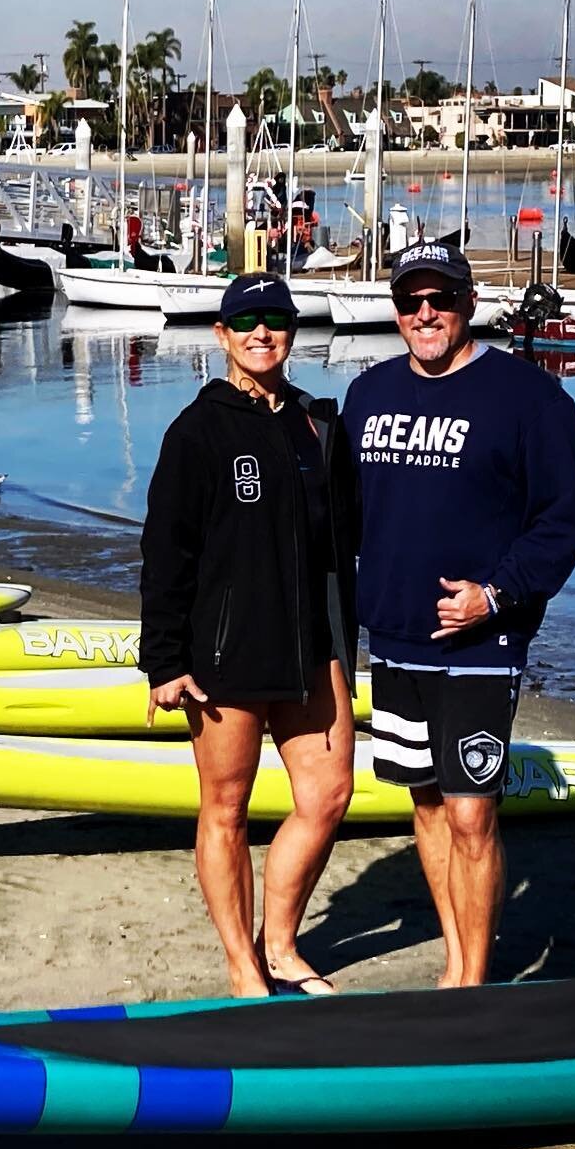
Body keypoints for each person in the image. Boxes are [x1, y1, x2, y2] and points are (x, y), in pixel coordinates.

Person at [341, 242, 575, 987]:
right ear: (395, 311)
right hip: (392, 638)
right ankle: (455, 960)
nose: (426, 315)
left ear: (468, 304)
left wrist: (496, 593)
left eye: (440, 300)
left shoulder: (530, 399)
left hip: (482, 641)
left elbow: (563, 522)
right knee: (424, 803)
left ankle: (473, 982)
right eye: (412, 302)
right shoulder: (368, 394)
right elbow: (340, 513)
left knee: (472, 812)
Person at [140, 274, 359, 998]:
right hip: (225, 654)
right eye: (247, 322)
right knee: (225, 808)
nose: (262, 334)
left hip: (310, 644)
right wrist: (164, 663)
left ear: (292, 332)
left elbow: (350, 537)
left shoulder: (316, 425)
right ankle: (243, 967)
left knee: (326, 797)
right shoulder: (196, 433)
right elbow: (165, 555)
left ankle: (282, 944)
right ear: (223, 335)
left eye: (275, 321)